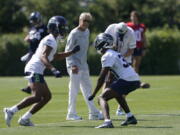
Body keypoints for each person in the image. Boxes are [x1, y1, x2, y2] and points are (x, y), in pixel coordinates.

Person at [3, 16, 80, 127]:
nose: (64, 29)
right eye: (62, 27)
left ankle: (25, 118)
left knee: (47, 96)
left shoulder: (53, 40)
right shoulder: (50, 39)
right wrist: (53, 69)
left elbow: (55, 56)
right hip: (34, 69)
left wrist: (71, 52)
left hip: (37, 70)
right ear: (55, 27)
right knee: (37, 96)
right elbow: (44, 57)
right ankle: (11, 111)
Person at [88, 33, 140, 128]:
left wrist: (94, 94)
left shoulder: (107, 55)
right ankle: (130, 117)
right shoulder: (115, 53)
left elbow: (101, 77)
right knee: (117, 93)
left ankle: (107, 121)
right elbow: (111, 75)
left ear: (102, 44)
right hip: (135, 80)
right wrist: (108, 86)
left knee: (102, 98)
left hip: (127, 80)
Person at [65, 12, 103, 120]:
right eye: (84, 20)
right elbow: (67, 51)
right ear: (80, 20)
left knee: (88, 89)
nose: (86, 23)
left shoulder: (87, 31)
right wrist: (72, 65)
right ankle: (71, 114)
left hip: (84, 65)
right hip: (74, 66)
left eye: (88, 21)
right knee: (74, 90)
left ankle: (93, 112)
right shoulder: (74, 33)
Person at [21, 11, 48, 94]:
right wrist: (28, 38)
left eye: (35, 20)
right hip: (32, 52)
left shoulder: (44, 29)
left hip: (39, 52)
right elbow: (29, 36)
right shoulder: (33, 28)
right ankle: (31, 86)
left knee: (36, 70)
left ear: (39, 19)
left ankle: (35, 85)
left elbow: (44, 40)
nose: (33, 22)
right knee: (31, 69)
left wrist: (32, 40)